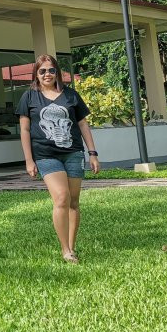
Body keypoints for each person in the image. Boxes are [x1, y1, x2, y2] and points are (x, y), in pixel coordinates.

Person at [15, 54, 101, 263]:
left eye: (51, 70)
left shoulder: (70, 95)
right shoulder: (29, 97)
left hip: (73, 152)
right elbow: (25, 130)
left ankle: (72, 246)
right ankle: (65, 250)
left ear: (57, 73)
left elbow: (82, 125)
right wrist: (29, 160)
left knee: (73, 202)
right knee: (61, 197)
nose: (47, 74)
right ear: (36, 73)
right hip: (45, 155)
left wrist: (92, 153)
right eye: (42, 71)